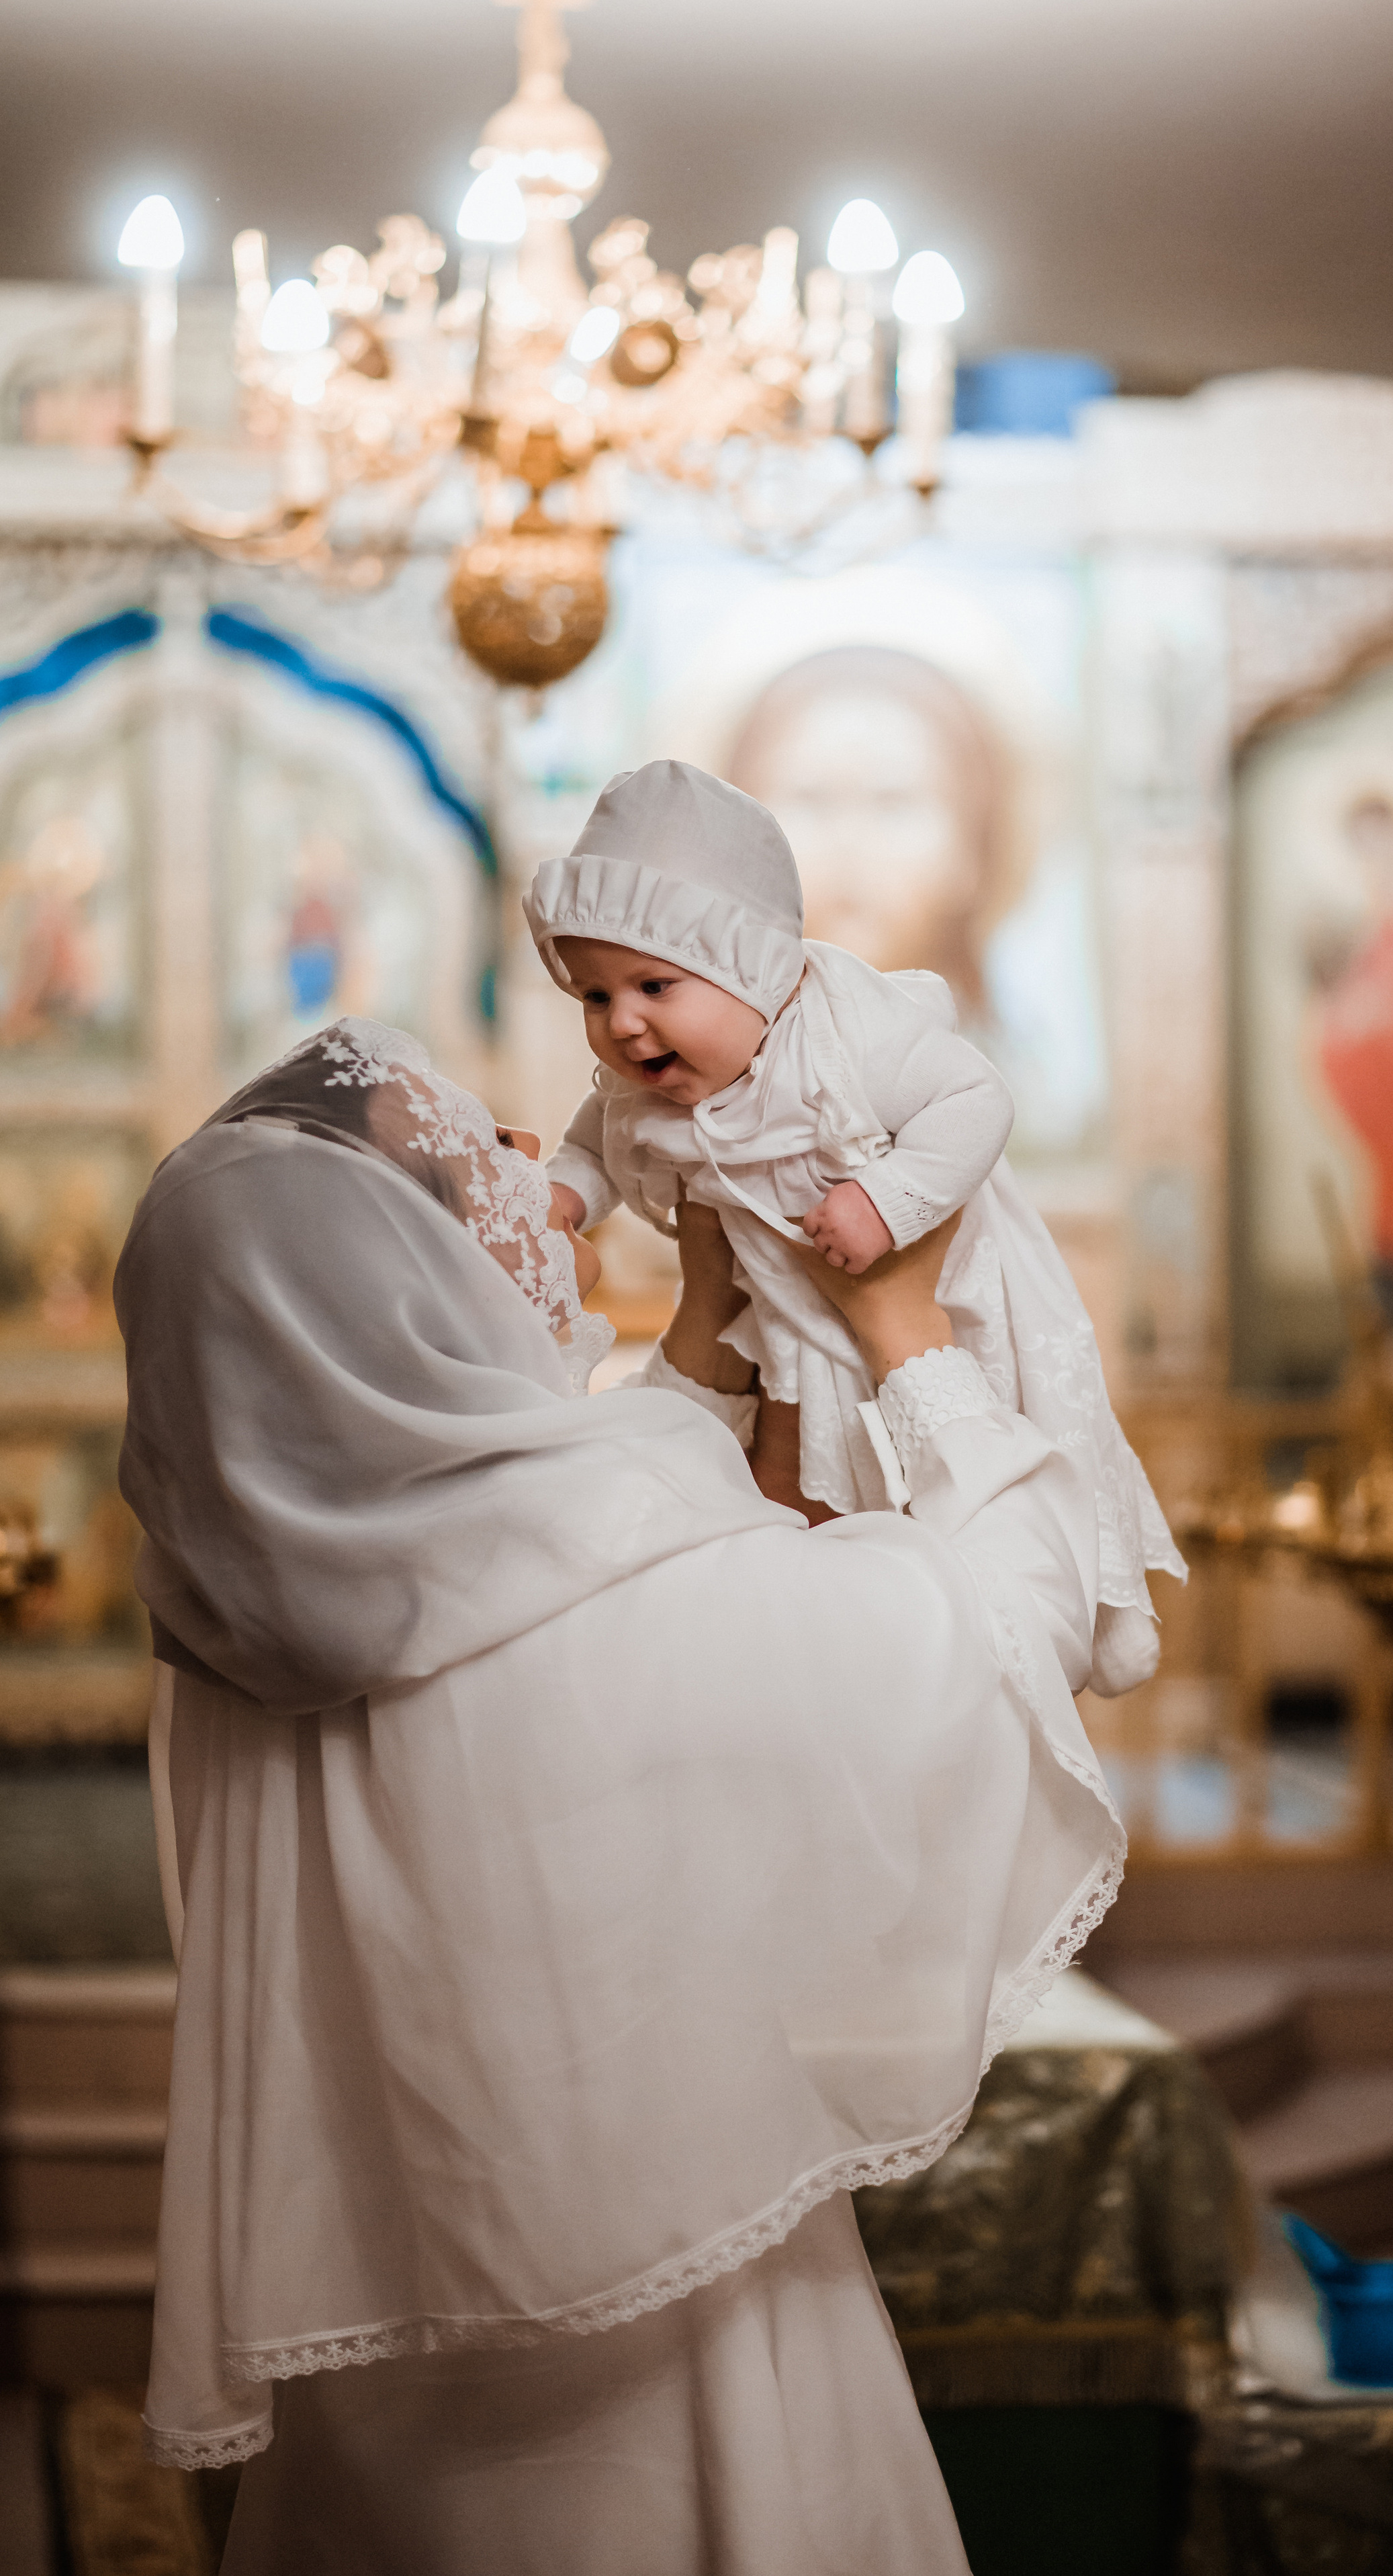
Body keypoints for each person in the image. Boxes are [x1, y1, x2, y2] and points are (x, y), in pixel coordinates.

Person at [118, 1015, 1127, 2574]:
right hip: (681, 2425)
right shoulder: (590, 1605)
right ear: (401, 1283)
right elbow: (1010, 1626)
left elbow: (582, 1524)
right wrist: (904, 1331)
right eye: (463, 1162)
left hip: (389, 2428)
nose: (530, 1164)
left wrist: (711, 1328)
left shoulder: (252, 1597)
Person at [527, 758, 1183, 1697]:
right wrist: (568, 1198)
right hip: (781, 1308)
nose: (624, 1025)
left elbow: (972, 1096)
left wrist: (888, 1199)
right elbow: (598, 1141)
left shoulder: (846, 1032)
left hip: (919, 1284)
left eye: (654, 986)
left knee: (981, 1439)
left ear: (752, 966)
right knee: (800, 1481)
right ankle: (838, 1638)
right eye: (595, 997)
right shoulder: (653, 1086)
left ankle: (1094, 1610)